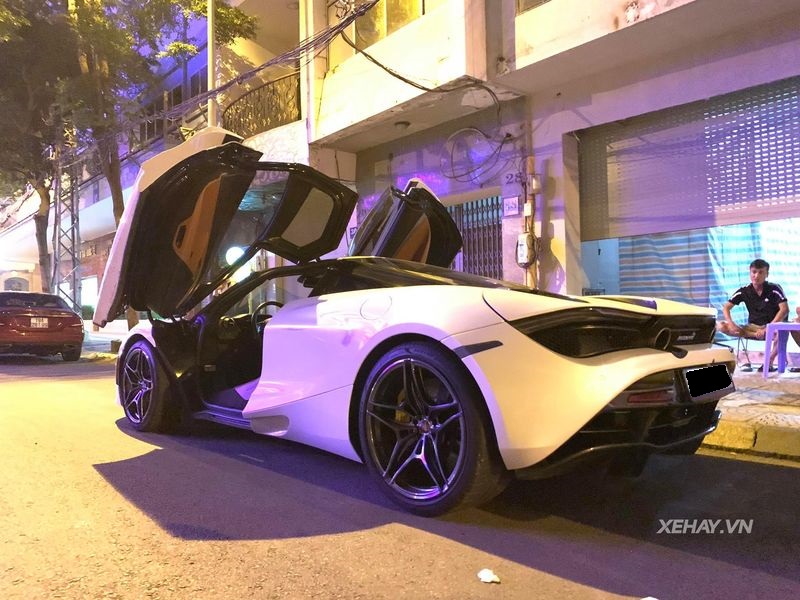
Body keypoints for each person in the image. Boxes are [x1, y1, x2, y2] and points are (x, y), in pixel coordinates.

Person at [717, 258, 788, 372]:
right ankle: (742, 357)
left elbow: (784, 310)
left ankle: (768, 363)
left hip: (771, 327)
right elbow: (726, 307)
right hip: (752, 328)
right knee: (721, 325)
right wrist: (732, 324)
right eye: (754, 272)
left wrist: (767, 328)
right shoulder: (744, 291)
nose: (756, 275)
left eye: (761, 272)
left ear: (766, 274)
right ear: (750, 273)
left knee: (782, 332)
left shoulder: (774, 289)